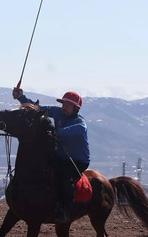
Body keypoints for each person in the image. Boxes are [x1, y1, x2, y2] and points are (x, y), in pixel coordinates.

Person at [13, 86, 90, 224]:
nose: (64, 107)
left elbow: (79, 129)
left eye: (68, 105)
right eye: (64, 104)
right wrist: (21, 97)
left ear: (76, 108)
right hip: (60, 157)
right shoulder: (58, 112)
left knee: (64, 178)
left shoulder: (80, 122)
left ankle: (64, 209)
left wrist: (57, 132)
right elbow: (37, 108)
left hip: (77, 161)